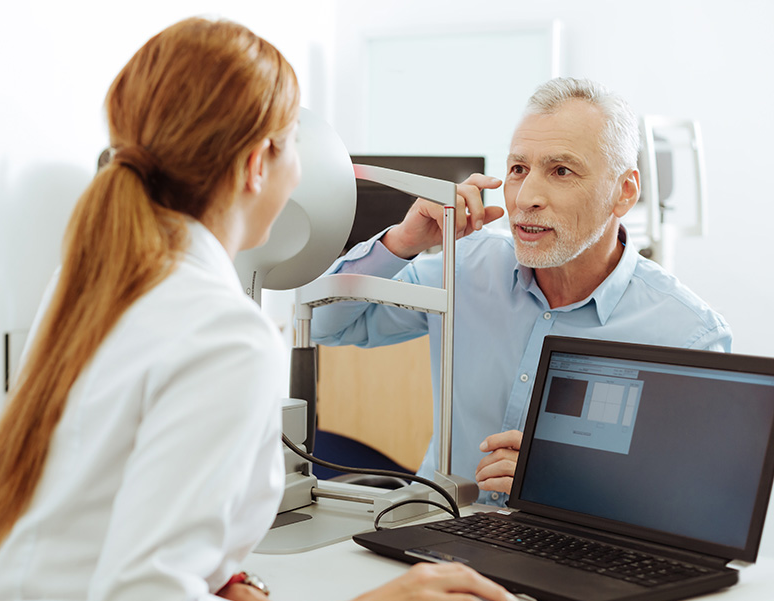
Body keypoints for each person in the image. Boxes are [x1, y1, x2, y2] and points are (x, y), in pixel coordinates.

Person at [0, 17, 515, 601]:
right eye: (296, 143)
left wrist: (223, 579)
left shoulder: (84, 285)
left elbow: (106, 509)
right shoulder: (224, 334)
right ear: (256, 166)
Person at [312, 77, 731, 507]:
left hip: (574, 559)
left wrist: (567, 488)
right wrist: (401, 242)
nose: (527, 196)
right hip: (434, 530)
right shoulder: (466, 267)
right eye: (518, 169)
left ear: (623, 192)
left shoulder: (686, 334)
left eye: (561, 170)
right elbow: (326, 324)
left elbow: (696, 506)